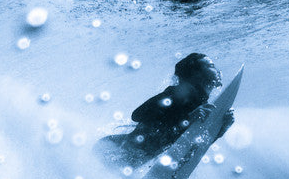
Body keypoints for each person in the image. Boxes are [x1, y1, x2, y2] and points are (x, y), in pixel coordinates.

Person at [98, 53, 234, 169]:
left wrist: (221, 128)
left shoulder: (200, 106)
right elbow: (137, 115)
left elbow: (197, 143)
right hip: (113, 152)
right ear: (196, 74)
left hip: (132, 162)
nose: (217, 70)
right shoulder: (173, 95)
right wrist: (187, 119)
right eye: (211, 66)